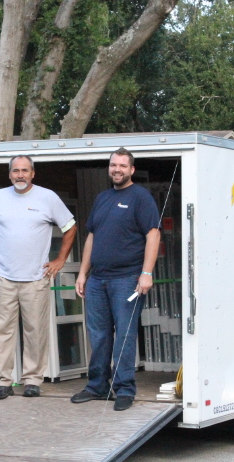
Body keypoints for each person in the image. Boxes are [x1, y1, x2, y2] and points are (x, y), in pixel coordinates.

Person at [0, 155, 78, 400]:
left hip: (36, 278)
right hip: (4, 277)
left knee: (34, 331)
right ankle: (4, 382)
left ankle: (32, 380)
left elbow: (70, 227)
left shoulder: (48, 197)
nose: (20, 175)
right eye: (15, 171)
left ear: (33, 173)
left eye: (24, 170)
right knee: (3, 331)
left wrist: (60, 260)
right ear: (9, 174)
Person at [71, 147, 161, 411]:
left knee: (124, 334)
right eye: (113, 165)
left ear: (131, 170)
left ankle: (124, 389)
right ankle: (97, 385)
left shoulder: (140, 197)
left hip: (127, 279)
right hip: (97, 281)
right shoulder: (102, 198)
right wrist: (82, 273)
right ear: (109, 168)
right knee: (98, 335)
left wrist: (146, 273)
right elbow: (91, 237)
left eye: (123, 166)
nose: (117, 170)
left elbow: (153, 235)